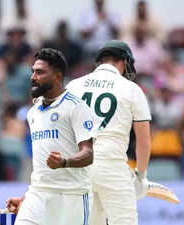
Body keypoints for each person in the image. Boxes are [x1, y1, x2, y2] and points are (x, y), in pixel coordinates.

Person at [66, 40, 152, 225]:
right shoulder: (132, 89)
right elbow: (144, 140)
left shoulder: (73, 85)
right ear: (123, 61)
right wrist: (141, 175)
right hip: (111, 165)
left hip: (79, 164)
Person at [6, 48, 94, 225]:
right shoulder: (32, 112)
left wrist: (65, 162)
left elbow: (88, 153)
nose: (33, 77)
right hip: (37, 195)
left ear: (57, 76)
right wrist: (25, 198)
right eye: (33, 71)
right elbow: (41, 168)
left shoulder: (76, 107)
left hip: (72, 195)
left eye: (40, 72)